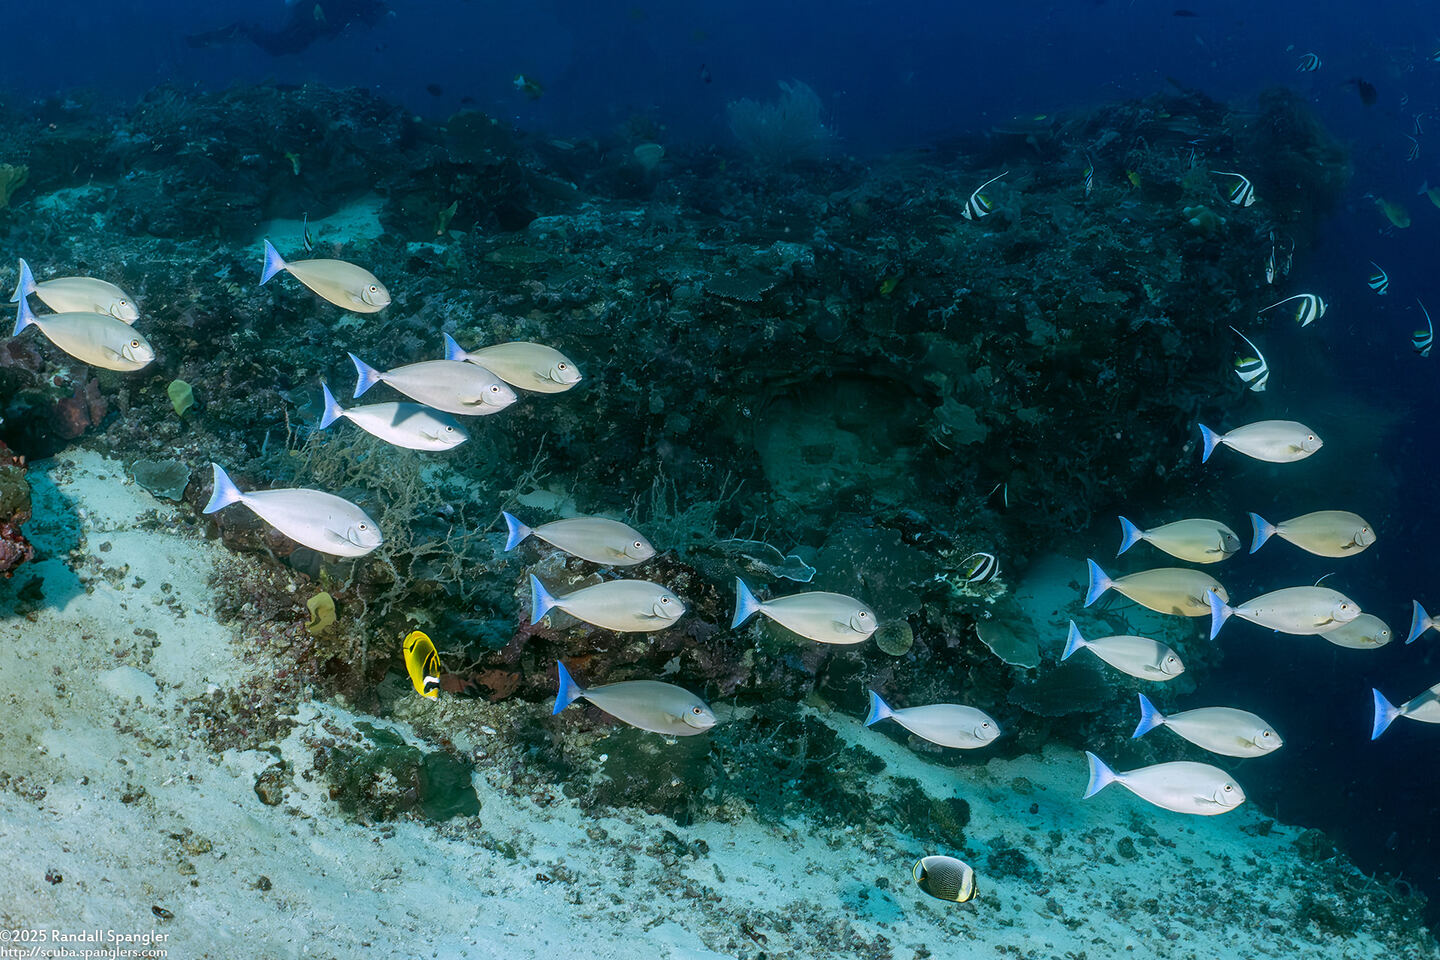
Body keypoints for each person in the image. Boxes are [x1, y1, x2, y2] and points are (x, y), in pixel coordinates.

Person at [186, 0, 390, 57]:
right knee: (281, 46)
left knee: (283, 45)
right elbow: (366, 12)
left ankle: (245, 30)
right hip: (316, 14)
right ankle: (244, 29)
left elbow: (364, 13)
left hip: (316, 15)